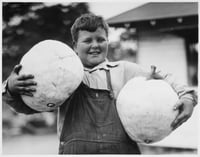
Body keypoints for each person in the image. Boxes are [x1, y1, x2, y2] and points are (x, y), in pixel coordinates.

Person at [2, 13, 198, 154]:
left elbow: (165, 79)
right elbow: (27, 106)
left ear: (107, 42)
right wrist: (11, 87)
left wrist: (187, 97)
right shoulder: (58, 76)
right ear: (74, 47)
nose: (95, 45)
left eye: (100, 39)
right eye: (87, 41)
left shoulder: (125, 70)